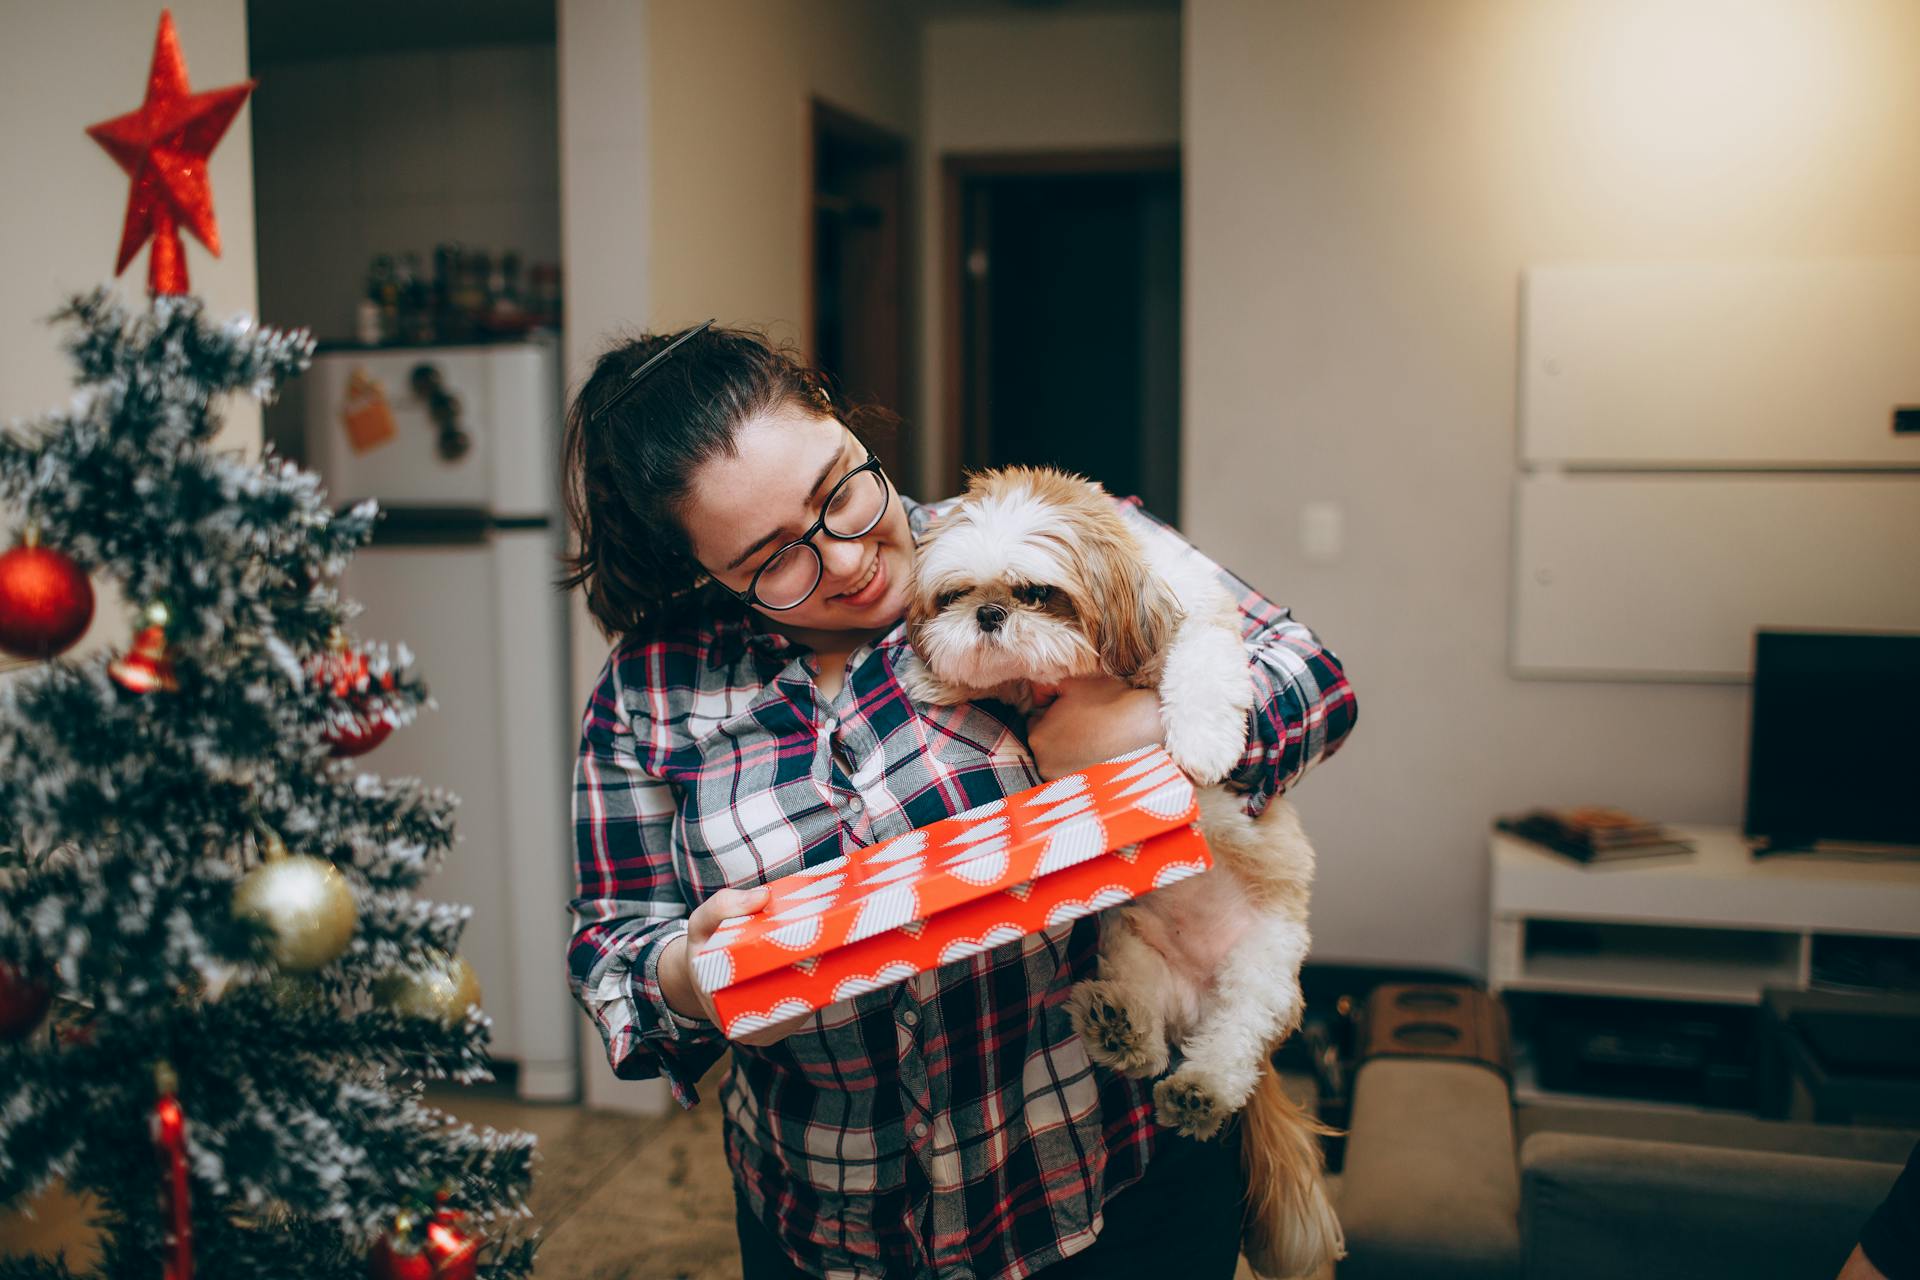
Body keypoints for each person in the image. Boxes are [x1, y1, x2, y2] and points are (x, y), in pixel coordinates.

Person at [559, 319, 1359, 1280]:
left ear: (845, 422)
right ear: (707, 573)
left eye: (840, 491)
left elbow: (1314, 681)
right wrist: (695, 979)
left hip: (1102, 1184)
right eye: (773, 559)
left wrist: (1138, 733)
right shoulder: (651, 690)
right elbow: (612, 946)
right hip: (824, 1220)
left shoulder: (1027, 533)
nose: (848, 560)